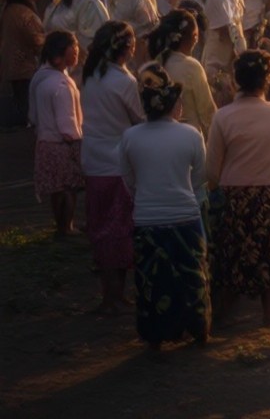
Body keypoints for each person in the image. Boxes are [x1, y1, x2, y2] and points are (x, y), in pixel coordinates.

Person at [206, 49, 270, 327]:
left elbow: (211, 171)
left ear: (236, 80)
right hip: (268, 195)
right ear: (268, 80)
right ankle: (269, 312)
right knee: (269, 254)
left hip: (233, 196)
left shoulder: (223, 117)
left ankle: (225, 312)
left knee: (231, 255)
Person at [118, 64, 209, 349]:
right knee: (192, 277)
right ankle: (197, 329)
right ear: (174, 104)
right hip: (186, 214)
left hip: (147, 217)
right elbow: (199, 177)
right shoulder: (191, 134)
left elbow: (128, 180)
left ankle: (154, 335)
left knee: (152, 281)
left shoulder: (130, 137)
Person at [80, 21, 143, 314]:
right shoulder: (124, 82)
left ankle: (109, 293)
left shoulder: (91, 76)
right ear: (126, 48)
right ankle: (116, 294)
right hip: (117, 164)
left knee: (100, 228)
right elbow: (141, 118)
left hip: (93, 161)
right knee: (119, 231)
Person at [29, 30, 83, 237]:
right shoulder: (62, 84)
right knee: (68, 188)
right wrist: (76, 142)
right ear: (60, 53)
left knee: (56, 188)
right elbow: (66, 122)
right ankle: (67, 227)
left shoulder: (40, 78)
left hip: (44, 141)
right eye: (73, 47)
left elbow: (33, 115)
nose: (77, 51)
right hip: (62, 143)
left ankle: (60, 226)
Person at [147, 10, 215, 139]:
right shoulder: (192, 67)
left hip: (159, 139)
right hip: (188, 138)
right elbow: (208, 113)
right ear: (195, 37)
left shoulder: (155, 64)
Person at [3, 0, 47, 118]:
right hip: (26, 73)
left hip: (17, 72)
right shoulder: (25, 15)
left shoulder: (12, 9)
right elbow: (40, 44)